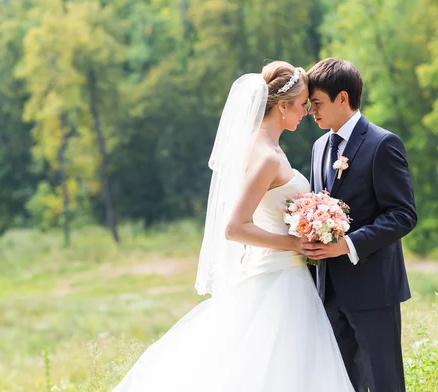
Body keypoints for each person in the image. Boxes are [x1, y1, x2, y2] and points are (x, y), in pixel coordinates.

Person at [111, 61, 355, 392]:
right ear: (282, 107)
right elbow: (235, 227)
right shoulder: (267, 156)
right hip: (279, 275)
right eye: (302, 104)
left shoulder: (263, 147)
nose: (307, 111)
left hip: (285, 271)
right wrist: (296, 243)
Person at [302, 57, 417, 392]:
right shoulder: (319, 146)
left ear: (343, 98)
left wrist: (347, 245)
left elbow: (402, 214)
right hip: (328, 291)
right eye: (309, 105)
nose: (312, 111)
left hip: (374, 290)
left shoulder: (383, 144)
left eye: (318, 103)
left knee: (385, 383)